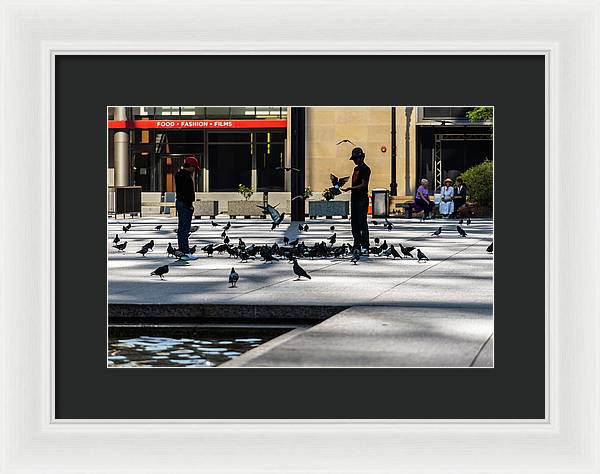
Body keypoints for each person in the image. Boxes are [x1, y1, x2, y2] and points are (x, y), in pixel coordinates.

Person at [342, 147, 371, 254]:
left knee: (362, 222)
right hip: (354, 198)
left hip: (362, 199)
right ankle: (357, 244)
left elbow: (364, 185)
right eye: (354, 159)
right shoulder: (356, 169)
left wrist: (350, 188)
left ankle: (365, 245)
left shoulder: (365, 169)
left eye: (356, 158)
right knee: (354, 223)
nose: (354, 161)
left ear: (361, 157)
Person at [174, 156, 200, 260]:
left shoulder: (179, 174)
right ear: (190, 166)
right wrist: (190, 205)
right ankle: (184, 251)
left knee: (183, 228)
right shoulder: (185, 176)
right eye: (194, 168)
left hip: (181, 203)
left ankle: (184, 250)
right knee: (184, 228)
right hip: (184, 204)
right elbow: (186, 192)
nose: (194, 170)